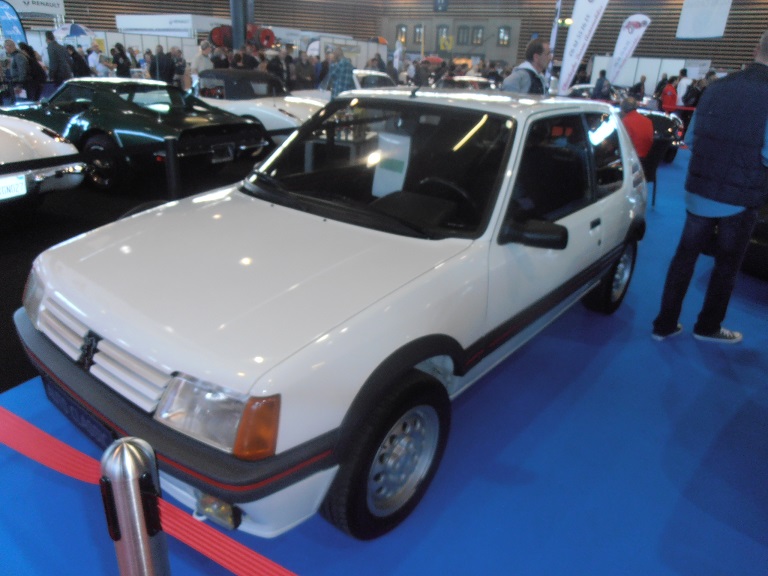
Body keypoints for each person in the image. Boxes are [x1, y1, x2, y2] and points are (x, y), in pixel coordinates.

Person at [651, 29, 768, 344]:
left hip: (699, 190)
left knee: (684, 258)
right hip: (740, 197)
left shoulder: (715, 87)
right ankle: (707, 326)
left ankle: (664, 324)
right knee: (726, 266)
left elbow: (690, 139)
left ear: (756, 49)